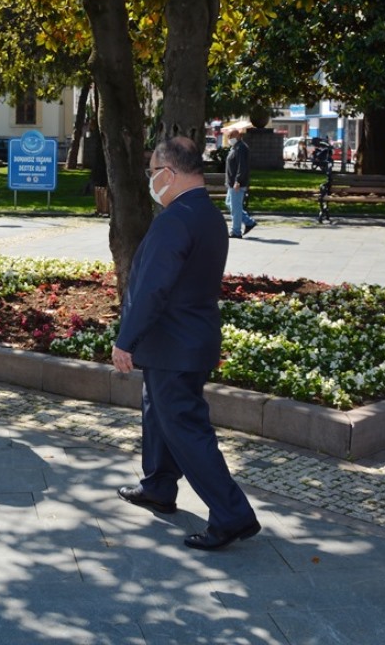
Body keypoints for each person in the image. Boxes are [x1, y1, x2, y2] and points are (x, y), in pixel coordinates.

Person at [112, 136, 261, 551]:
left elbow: (152, 290)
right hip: (188, 341)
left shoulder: (176, 219)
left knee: (185, 429)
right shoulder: (208, 215)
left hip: (173, 343)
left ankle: (233, 515)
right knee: (157, 414)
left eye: (152, 172)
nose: (150, 180)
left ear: (169, 173)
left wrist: (126, 340)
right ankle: (159, 485)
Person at [223, 126, 257, 238]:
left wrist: (238, 181)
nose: (229, 138)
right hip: (232, 183)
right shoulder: (235, 147)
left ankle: (236, 231)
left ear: (237, 135)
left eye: (231, 136)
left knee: (235, 208)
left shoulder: (241, 148)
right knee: (230, 204)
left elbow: (242, 166)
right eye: (228, 136)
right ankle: (249, 222)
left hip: (237, 183)